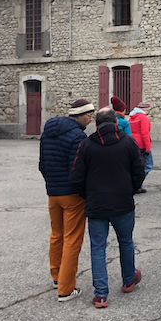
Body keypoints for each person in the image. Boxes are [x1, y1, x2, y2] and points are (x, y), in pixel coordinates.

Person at [69, 107, 145, 308]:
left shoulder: (86, 145)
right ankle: (128, 279)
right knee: (126, 242)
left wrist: (88, 195)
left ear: (96, 124)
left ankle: (101, 294)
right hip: (122, 202)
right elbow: (139, 170)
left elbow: (76, 177)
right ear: (116, 123)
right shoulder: (128, 143)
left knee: (98, 247)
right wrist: (130, 190)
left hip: (96, 204)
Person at [38, 97, 94, 302]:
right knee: (72, 239)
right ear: (80, 115)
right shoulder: (78, 137)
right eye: (89, 115)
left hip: (53, 191)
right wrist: (83, 192)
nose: (91, 119)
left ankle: (56, 275)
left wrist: (51, 183)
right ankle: (66, 288)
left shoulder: (47, 133)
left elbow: (42, 164)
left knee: (57, 234)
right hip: (72, 194)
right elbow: (77, 169)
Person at [128, 102, 153, 193]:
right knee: (148, 165)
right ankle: (137, 183)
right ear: (146, 109)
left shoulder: (131, 117)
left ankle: (138, 185)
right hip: (142, 145)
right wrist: (148, 147)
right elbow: (145, 133)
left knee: (136, 165)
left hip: (133, 143)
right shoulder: (143, 118)